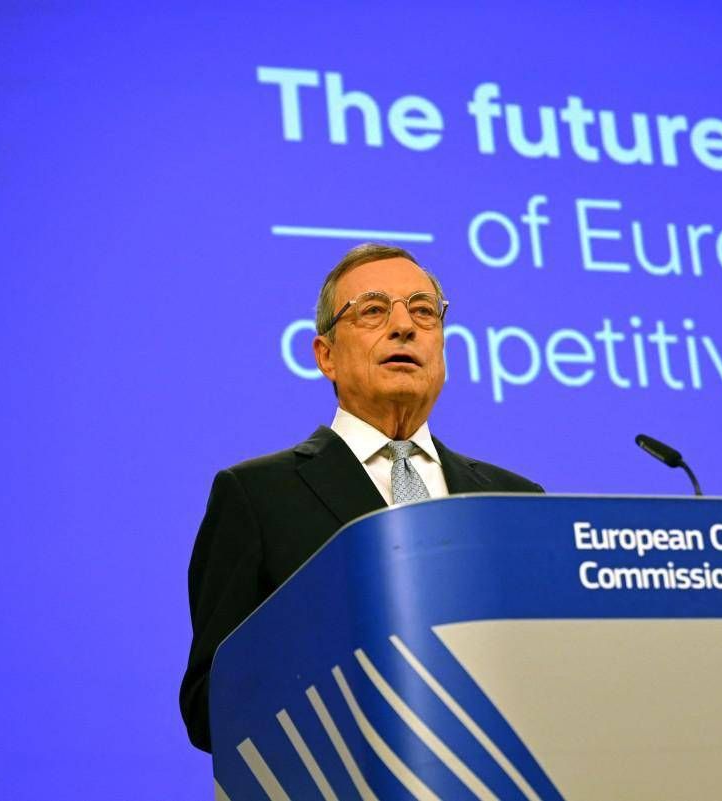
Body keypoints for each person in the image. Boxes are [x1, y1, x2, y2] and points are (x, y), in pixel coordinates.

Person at [179, 243, 543, 752]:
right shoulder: (257, 496)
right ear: (325, 356)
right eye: (373, 310)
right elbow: (210, 706)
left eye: (423, 311)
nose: (404, 327)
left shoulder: (516, 499)